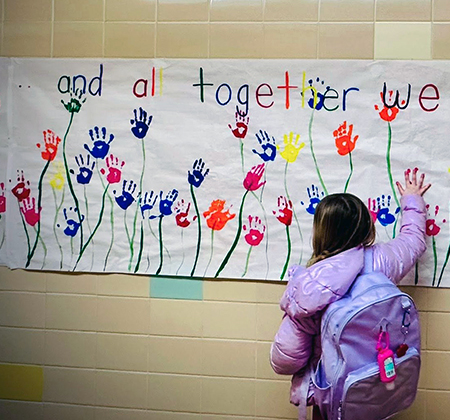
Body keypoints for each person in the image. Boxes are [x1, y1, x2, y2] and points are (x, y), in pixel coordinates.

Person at [270, 168, 431, 420]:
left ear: (320, 233)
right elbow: (413, 240)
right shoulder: (382, 261)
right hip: (377, 384)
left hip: (331, 394)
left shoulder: (310, 285)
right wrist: (412, 200)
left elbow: (285, 360)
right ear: (367, 227)